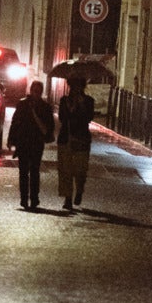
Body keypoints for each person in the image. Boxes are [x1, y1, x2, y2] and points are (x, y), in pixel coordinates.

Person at [7, 82, 54, 211]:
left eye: (39, 92)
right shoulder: (22, 104)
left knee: (34, 171)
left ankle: (34, 198)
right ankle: (24, 198)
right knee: (23, 172)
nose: (36, 94)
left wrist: (35, 114)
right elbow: (15, 122)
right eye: (34, 91)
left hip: (37, 142)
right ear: (31, 90)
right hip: (23, 142)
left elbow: (48, 128)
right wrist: (11, 139)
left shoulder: (45, 107)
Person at [56, 77, 97, 210]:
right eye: (73, 87)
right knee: (66, 170)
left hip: (81, 139)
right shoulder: (64, 101)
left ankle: (79, 190)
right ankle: (68, 198)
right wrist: (70, 108)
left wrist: (82, 106)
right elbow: (62, 117)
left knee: (80, 170)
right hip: (66, 138)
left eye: (78, 87)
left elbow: (89, 118)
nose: (75, 90)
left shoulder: (89, 101)